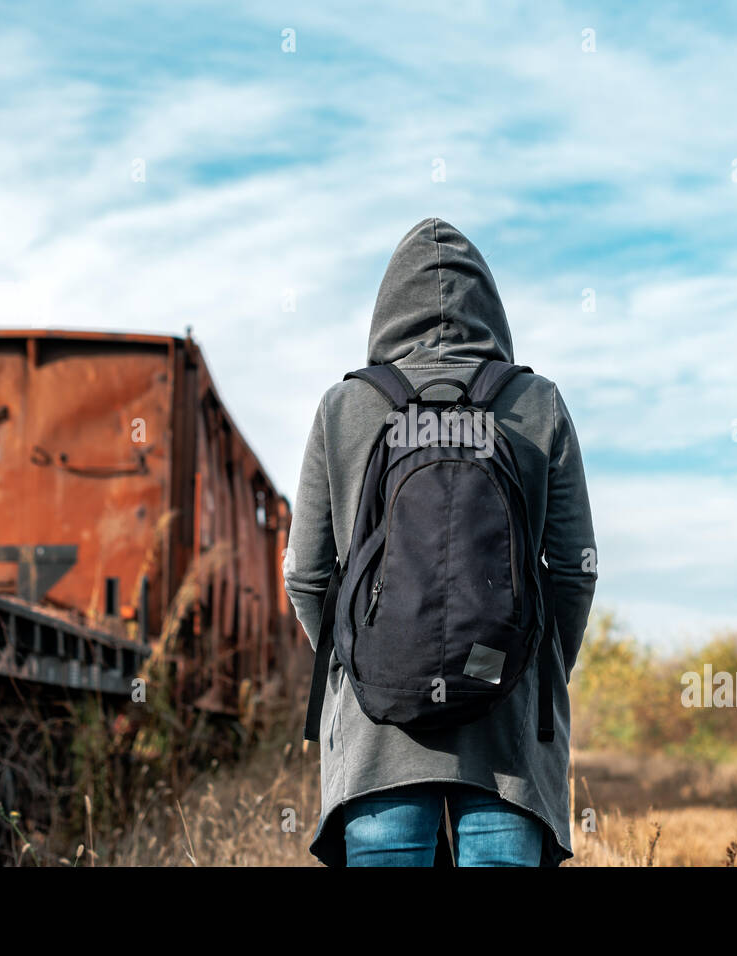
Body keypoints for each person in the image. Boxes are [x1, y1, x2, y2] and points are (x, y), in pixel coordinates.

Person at [283, 217, 596, 867]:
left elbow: (306, 576)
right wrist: (530, 669)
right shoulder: (537, 403)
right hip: (507, 744)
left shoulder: (345, 407)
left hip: (378, 742)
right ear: (492, 308)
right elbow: (573, 570)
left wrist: (369, 657)